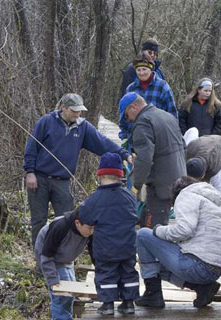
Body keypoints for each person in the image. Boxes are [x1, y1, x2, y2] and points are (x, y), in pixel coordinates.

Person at [24, 93, 132, 247]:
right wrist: (30, 172)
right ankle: (40, 260)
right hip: (39, 178)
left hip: (62, 180)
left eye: (79, 110)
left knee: (65, 220)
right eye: (74, 110)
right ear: (63, 108)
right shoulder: (46, 122)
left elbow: (103, 143)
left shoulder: (83, 127)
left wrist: (124, 155)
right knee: (38, 220)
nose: (77, 114)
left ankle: (64, 257)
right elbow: (31, 147)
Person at [135, 176, 221, 308]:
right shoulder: (217, 207)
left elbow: (185, 230)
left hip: (197, 266)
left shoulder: (186, 195)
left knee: (143, 235)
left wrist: (159, 230)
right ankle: (201, 288)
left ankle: (153, 294)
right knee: (156, 267)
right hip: (215, 271)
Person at [79, 153, 139, 315]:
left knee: (106, 274)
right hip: (128, 247)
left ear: (99, 175)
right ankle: (129, 304)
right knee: (128, 272)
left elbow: (84, 217)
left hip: (105, 249)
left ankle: (107, 305)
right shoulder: (129, 197)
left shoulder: (94, 199)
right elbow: (135, 214)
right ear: (121, 176)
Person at [119, 92, 186, 228]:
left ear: (133, 107)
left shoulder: (143, 122)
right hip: (179, 179)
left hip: (160, 186)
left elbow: (144, 158)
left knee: (153, 230)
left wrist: (136, 186)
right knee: (146, 219)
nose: (128, 119)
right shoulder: (167, 116)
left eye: (126, 115)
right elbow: (184, 147)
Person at [34, 208, 94, 320]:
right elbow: (46, 255)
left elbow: (95, 253)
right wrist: (52, 279)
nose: (92, 231)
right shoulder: (60, 227)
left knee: (70, 293)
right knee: (61, 296)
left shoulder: (90, 228)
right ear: (77, 223)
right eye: (90, 228)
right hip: (49, 257)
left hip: (66, 259)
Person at [119, 52, 177, 143]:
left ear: (151, 69)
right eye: (138, 70)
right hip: (135, 138)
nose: (141, 73)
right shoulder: (131, 88)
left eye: (144, 69)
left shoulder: (163, 87)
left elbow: (172, 114)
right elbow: (124, 115)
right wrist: (124, 135)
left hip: (157, 138)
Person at [186, 135, 221, 213]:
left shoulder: (216, 169)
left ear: (203, 175)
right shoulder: (188, 151)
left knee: (218, 192)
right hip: (207, 145)